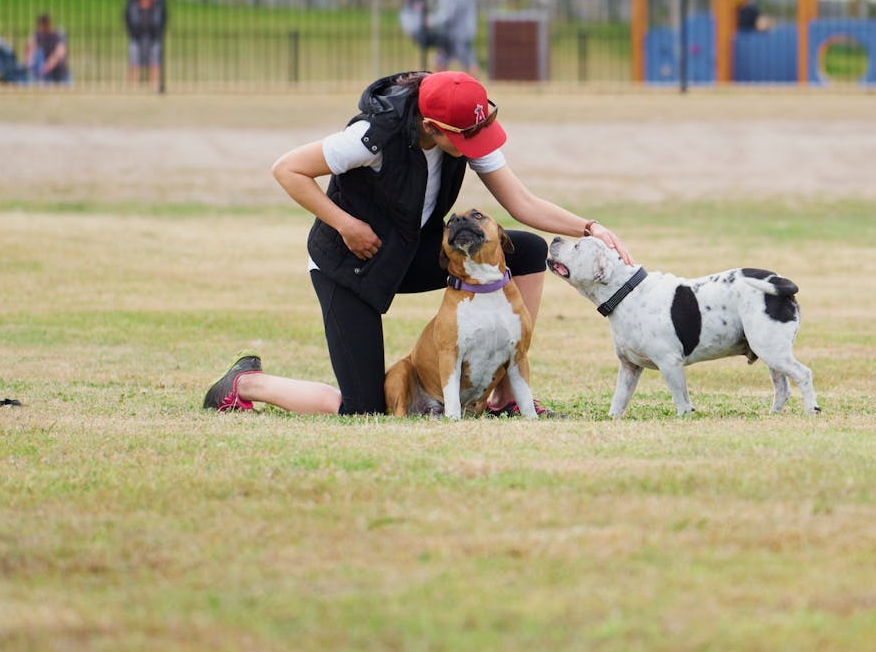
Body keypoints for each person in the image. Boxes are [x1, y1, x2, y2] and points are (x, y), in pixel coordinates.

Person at [203, 69, 634, 417]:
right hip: (353, 264)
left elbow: (520, 202)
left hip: (413, 252)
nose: (474, 148)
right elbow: (287, 170)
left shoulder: (461, 124)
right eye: (465, 140)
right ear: (431, 126)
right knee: (364, 410)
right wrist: (345, 224)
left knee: (529, 251)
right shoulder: (371, 136)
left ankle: (504, 395)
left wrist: (590, 228)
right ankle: (245, 382)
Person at [426, 0, 477, 71]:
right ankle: (443, 87)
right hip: (448, 31)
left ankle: (475, 87)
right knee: (441, 61)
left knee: (467, 62)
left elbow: (450, 13)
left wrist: (432, 20)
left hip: (461, 32)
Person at [124, 0, 166, 85]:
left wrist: (159, 31)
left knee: (155, 59)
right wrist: (132, 30)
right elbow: (127, 15)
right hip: (136, 34)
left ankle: (155, 85)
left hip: (154, 34)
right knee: (134, 59)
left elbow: (163, 15)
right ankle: (133, 86)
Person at [27, 13, 70, 85]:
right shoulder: (39, 35)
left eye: (44, 24)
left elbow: (59, 53)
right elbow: (30, 46)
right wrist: (30, 61)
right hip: (46, 75)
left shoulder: (57, 35)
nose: (41, 27)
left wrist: (45, 67)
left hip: (60, 75)